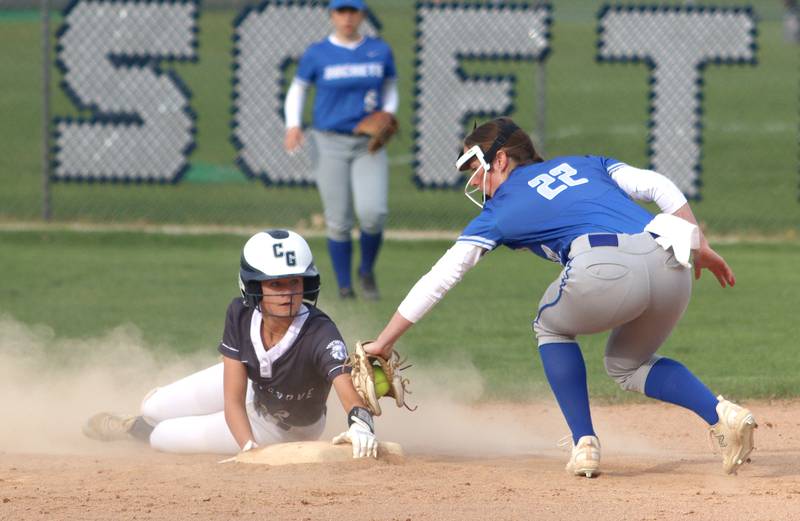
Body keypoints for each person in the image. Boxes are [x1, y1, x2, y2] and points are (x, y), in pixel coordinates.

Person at [362, 117, 757, 477]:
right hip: (674, 263)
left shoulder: (500, 209)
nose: (476, 182)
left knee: (549, 326)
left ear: (500, 159)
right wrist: (699, 243)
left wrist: (384, 342)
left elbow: (442, 277)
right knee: (627, 364)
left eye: (476, 169)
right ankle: (721, 414)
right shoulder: (586, 163)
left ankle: (584, 443)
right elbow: (657, 184)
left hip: (606, 264)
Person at [83, 229, 378, 458]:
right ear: (252, 287)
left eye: (295, 282)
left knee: (162, 436)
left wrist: (361, 424)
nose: (287, 293)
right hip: (254, 386)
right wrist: (247, 448)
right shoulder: (240, 313)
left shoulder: (320, 332)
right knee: (154, 406)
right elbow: (233, 399)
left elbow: (346, 390)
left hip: (283, 429)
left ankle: (135, 430)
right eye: (275, 284)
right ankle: (141, 418)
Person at [284, 0, 398, 300]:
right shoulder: (318, 53)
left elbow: (390, 87)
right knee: (338, 219)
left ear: (362, 14)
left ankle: (366, 271)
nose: (347, 17)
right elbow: (298, 89)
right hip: (328, 141)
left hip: (367, 144)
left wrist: (387, 114)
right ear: (333, 15)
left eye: (353, 11)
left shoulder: (379, 50)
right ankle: (346, 286)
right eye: (341, 11)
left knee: (373, 213)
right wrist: (293, 124)